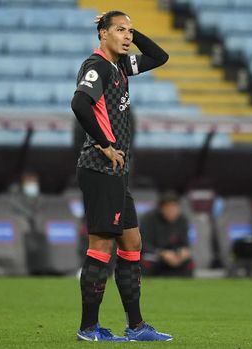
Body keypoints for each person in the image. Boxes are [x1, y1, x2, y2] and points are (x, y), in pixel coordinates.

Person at [70, 11, 171, 341]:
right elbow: (80, 105)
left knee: (132, 243)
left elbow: (160, 56)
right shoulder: (96, 66)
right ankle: (88, 328)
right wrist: (106, 143)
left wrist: (133, 32)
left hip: (116, 171)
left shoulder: (121, 67)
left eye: (130, 31)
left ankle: (137, 326)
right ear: (102, 34)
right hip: (99, 168)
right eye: (119, 30)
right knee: (101, 245)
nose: (127, 36)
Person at [140, 191, 193, 277]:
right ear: (161, 208)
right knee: (147, 261)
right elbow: (143, 245)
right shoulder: (148, 219)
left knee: (189, 262)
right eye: (169, 208)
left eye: (175, 208)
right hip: (155, 255)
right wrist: (162, 253)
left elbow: (185, 243)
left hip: (174, 256)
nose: (172, 211)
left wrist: (183, 251)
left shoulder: (182, 220)